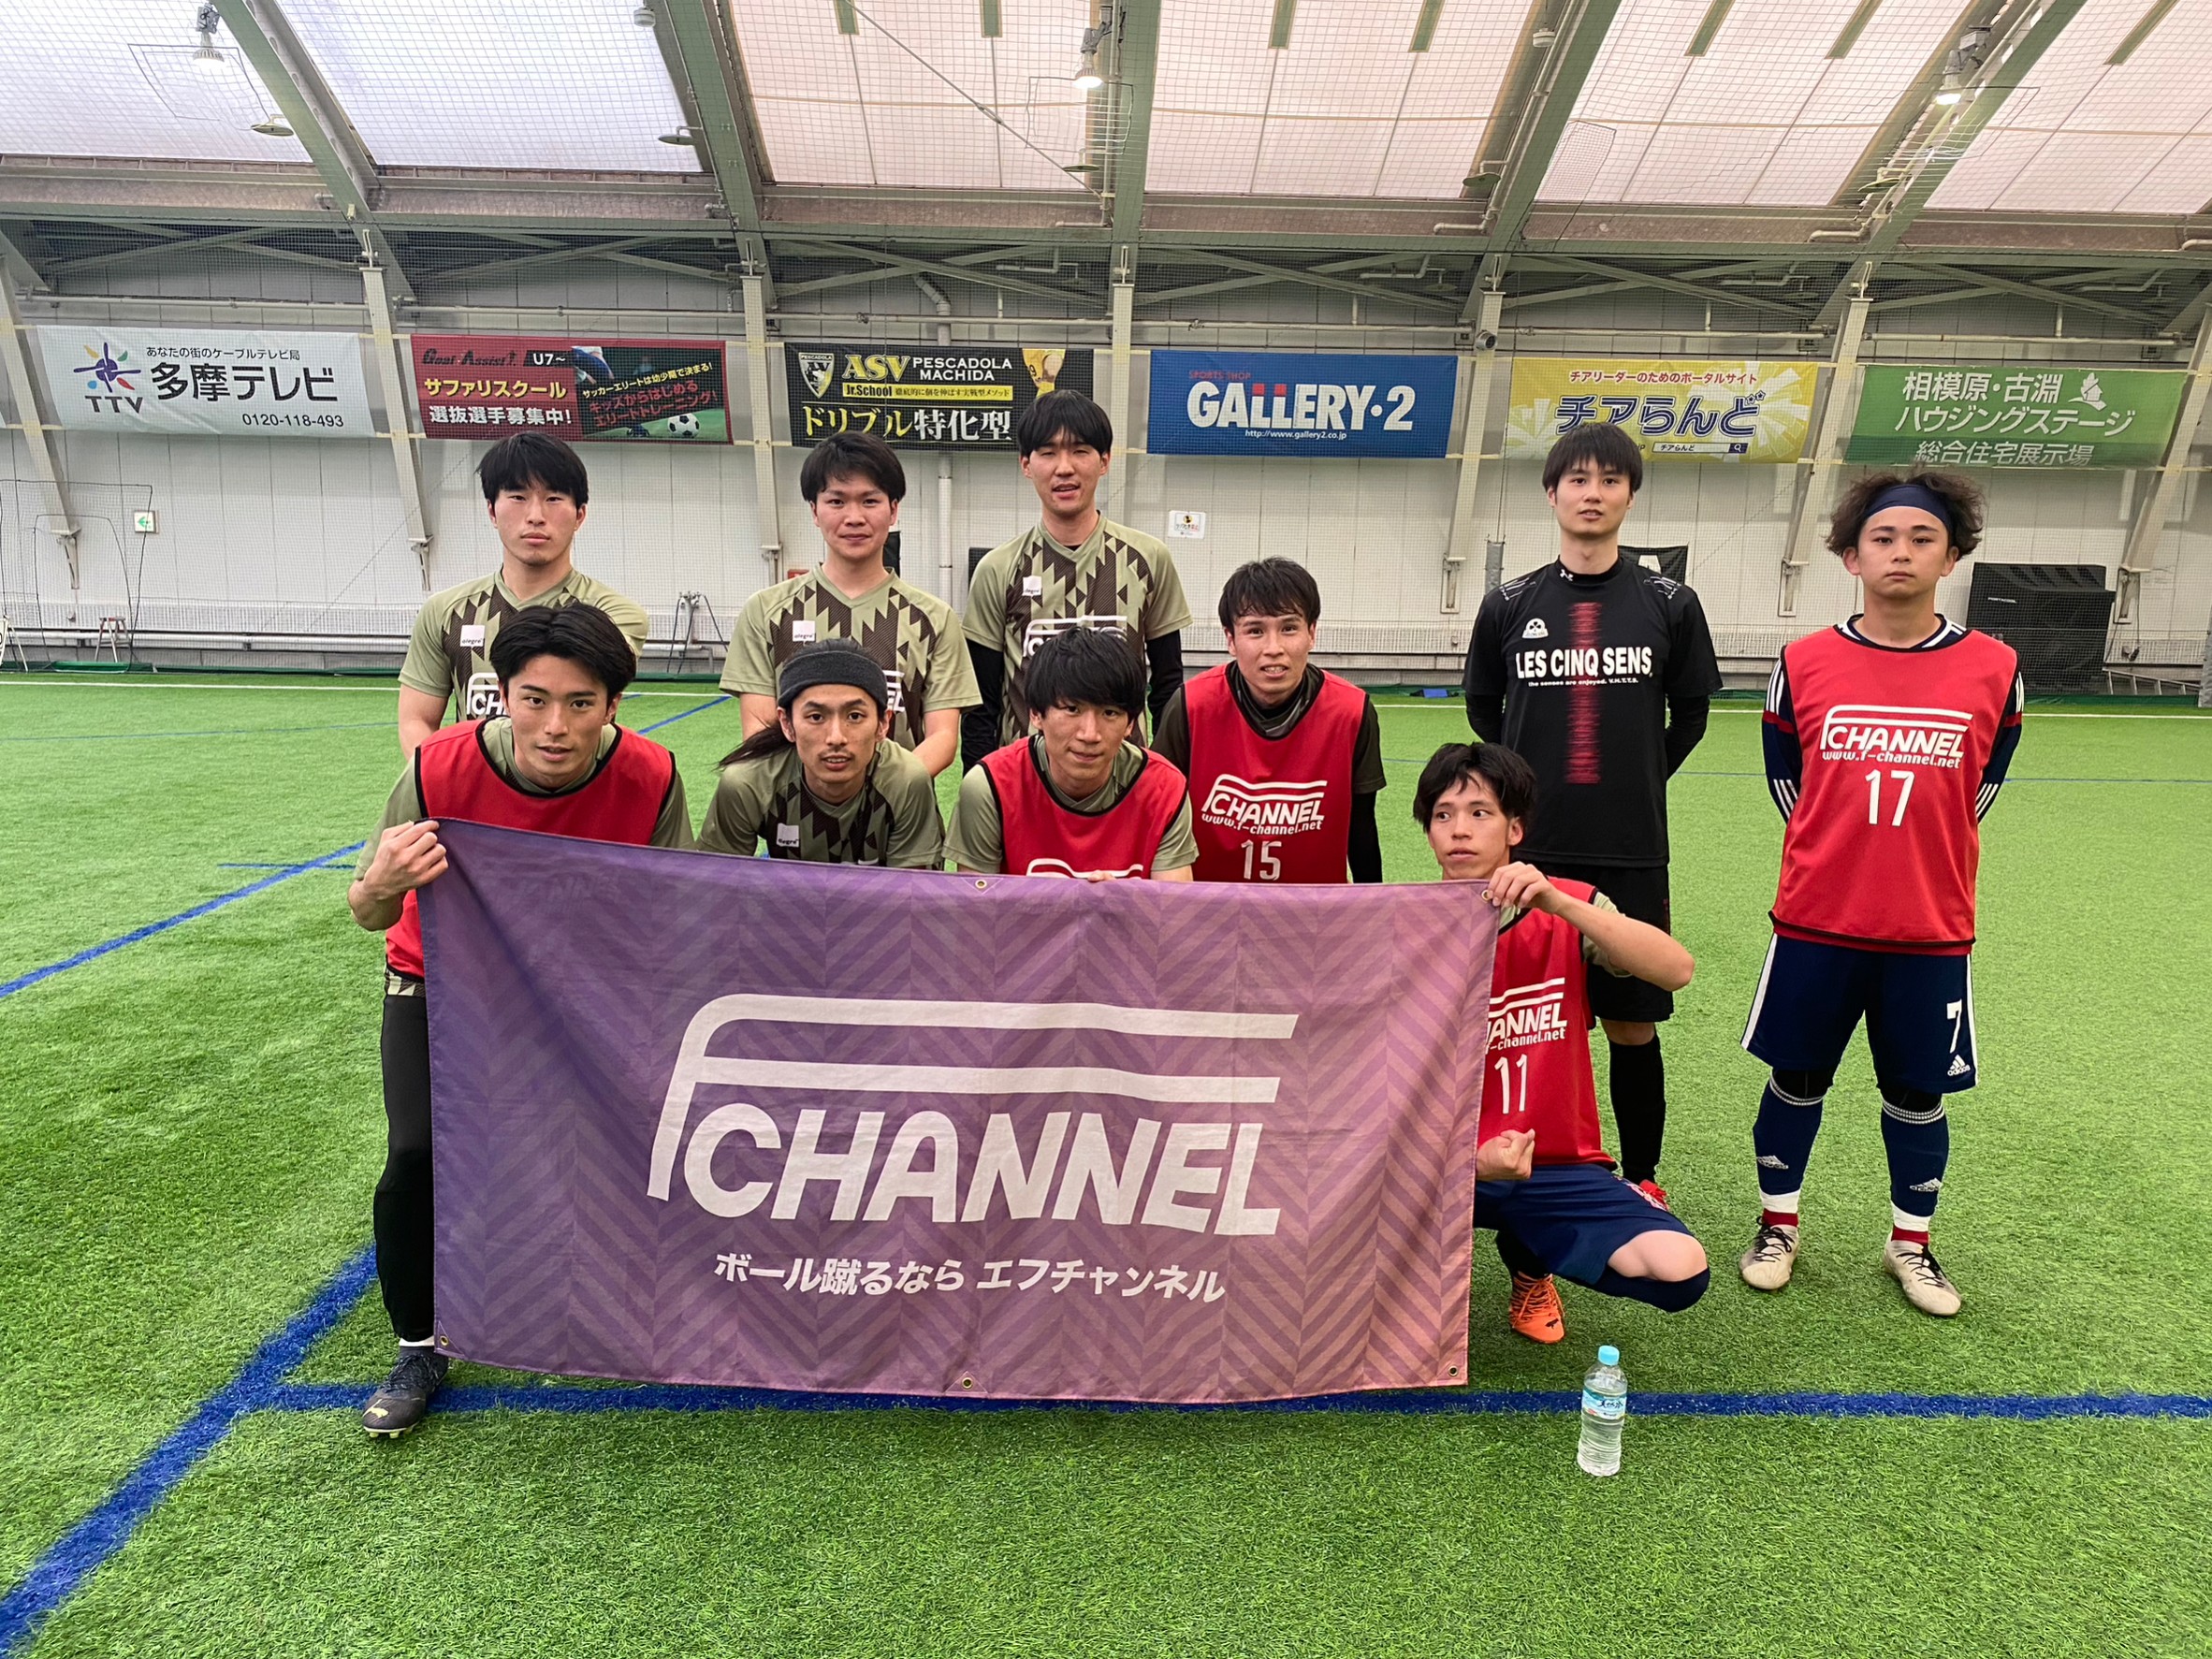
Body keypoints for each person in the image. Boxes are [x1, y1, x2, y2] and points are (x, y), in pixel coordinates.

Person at [347, 605, 692, 1437]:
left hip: (578, 987)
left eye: (580, 702)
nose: (555, 725)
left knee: (620, 1138)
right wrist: (384, 880)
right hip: (440, 979)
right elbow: (367, 908)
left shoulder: (650, 774)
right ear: (501, 695)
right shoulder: (438, 766)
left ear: (614, 705)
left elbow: (677, 911)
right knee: (417, 1152)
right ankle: (419, 1344)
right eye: (535, 699)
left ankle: (624, 1299)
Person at [1739, 469, 2022, 1318]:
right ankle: (1777, 1227)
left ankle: (1912, 1243)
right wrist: (1844, 854)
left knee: (1918, 1092)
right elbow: (1791, 784)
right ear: (1851, 556)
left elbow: (1978, 787)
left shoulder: (1995, 666)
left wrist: (1913, 860)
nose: (1902, 552)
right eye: (1884, 538)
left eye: (1922, 538)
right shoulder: (1802, 662)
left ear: (1952, 555)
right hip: (1817, 920)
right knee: (1797, 1075)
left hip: (1930, 927)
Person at [1460, 421, 1721, 1204]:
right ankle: (1535, 1169)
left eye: (1610, 480)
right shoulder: (1509, 603)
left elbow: (1691, 715)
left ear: (1630, 495)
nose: (1593, 493)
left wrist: (1637, 777)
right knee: (1532, 1017)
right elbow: (1484, 710)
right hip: (1532, 851)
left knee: (1630, 1024)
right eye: (1577, 479)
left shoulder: (1670, 604)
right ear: (1552, 493)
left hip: (1631, 846)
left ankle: (1643, 1177)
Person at [1419, 741, 1709, 1343]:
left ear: (1514, 829)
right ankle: (1409, 1284)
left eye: (1479, 812)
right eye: (1443, 815)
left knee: (1678, 1270)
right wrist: (1468, 1158)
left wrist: (1556, 900)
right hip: (1431, 1163)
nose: (1459, 830)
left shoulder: (1568, 907)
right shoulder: (1402, 921)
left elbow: (1675, 969)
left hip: (1550, 1163)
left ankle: (1532, 1265)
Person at [961, 390, 1192, 772]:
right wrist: (981, 783)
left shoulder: (1149, 559)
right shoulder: (998, 569)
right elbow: (981, 705)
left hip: (1123, 777)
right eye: (1048, 453)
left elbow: (1167, 687)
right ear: (1026, 464)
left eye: (1080, 451)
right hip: (1026, 778)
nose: (1064, 468)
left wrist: (1160, 776)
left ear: (1104, 461)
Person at [723, 433, 978, 777]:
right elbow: (760, 730)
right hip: (797, 807)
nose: (854, 517)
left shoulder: (935, 619)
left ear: (893, 510)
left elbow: (943, 738)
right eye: (837, 501)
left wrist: (882, 793)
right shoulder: (766, 612)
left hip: (900, 808)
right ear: (814, 510)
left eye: (870, 501)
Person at [396, 432, 648, 754]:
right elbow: (416, 719)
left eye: (553, 498)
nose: (535, 516)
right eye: (518, 497)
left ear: (580, 515)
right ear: (492, 511)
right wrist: (439, 776)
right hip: (473, 783)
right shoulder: (446, 611)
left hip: (575, 783)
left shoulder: (613, 615)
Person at [1152, 557, 1385, 883]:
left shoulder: (1352, 712)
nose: (1273, 648)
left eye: (1289, 628)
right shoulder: (1191, 706)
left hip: (1315, 909)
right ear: (1230, 639)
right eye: (1255, 631)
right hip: (1211, 907)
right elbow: (1157, 818)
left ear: (1312, 633)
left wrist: (1372, 905)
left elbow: (1361, 825)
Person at [946, 626, 1196, 880]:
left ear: (1130, 724)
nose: (1090, 734)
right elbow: (976, 902)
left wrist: (1121, 900)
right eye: (1072, 709)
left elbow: (1173, 904)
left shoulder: (1164, 790)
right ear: (1036, 713)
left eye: (1109, 713)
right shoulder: (991, 786)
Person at [698, 640, 944, 868]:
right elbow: (716, 883)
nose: (836, 737)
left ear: (883, 723)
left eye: (855, 716)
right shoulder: (748, 784)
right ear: (787, 724)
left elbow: (912, 891)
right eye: (816, 717)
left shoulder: (906, 781)